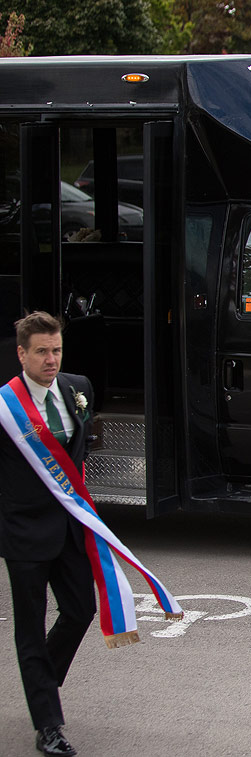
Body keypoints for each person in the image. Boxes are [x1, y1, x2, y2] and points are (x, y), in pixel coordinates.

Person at [1, 313, 95, 756]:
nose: (51, 359)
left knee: (80, 611)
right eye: (41, 351)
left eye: (55, 349)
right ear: (22, 354)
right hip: (23, 533)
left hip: (68, 528)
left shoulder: (78, 389)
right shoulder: (5, 407)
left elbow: (78, 452)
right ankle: (48, 726)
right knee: (30, 631)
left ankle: (41, 683)